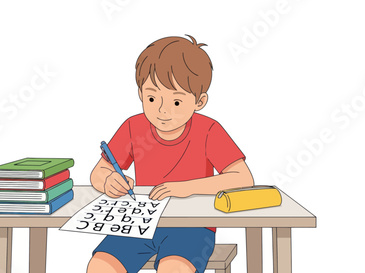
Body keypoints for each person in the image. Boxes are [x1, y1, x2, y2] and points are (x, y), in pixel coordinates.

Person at [87, 35, 254, 273]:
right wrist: (108, 180)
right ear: (140, 94)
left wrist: (186, 188)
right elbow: (100, 171)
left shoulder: (209, 131)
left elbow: (242, 178)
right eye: (152, 98)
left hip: (192, 227)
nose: (162, 111)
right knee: (100, 266)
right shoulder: (133, 127)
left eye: (176, 102)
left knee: (174, 269)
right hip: (139, 222)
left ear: (199, 101)